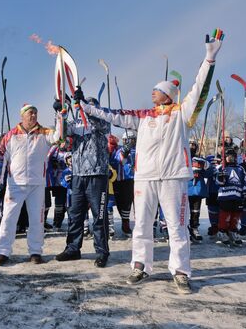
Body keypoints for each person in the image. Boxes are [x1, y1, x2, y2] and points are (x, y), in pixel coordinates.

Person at [76, 28, 224, 293]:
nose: (152, 93)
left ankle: (180, 271)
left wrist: (209, 58)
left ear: (168, 95)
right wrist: (85, 106)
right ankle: (140, 266)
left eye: (157, 90)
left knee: (177, 227)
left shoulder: (182, 114)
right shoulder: (143, 116)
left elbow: (199, 89)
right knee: (141, 225)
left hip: (173, 178)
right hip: (144, 178)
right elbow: (112, 114)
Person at [0, 104, 60, 266]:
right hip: (15, 184)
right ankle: (2, 252)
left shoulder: (44, 133)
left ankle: (35, 252)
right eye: (30, 113)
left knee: (37, 220)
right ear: (22, 116)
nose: (34, 116)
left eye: (35, 113)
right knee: (8, 218)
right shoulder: (11, 135)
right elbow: (1, 158)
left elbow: (59, 137)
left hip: (37, 184)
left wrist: (60, 116)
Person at [54, 96, 111, 268]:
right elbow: (61, 135)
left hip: (97, 174)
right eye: (83, 105)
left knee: (99, 217)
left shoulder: (101, 120)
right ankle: (73, 248)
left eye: (89, 106)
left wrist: (88, 108)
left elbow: (103, 125)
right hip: (78, 175)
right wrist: (59, 113)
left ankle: (102, 252)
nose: (85, 108)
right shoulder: (75, 124)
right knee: (75, 215)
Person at [215, 148, 246, 246]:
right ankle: (222, 231)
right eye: (228, 156)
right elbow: (217, 182)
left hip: (238, 196)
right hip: (225, 196)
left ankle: (233, 231)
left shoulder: (240, 168)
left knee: (236, 215)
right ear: (224, 158)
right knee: (225, 215)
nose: (230, 158)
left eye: (232, 156)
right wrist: (220, 179)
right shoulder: (221, 168)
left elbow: (245, 181)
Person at [112, 130, 137, 237]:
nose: (130, 142)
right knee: (119, 203)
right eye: (127, 140)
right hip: (119, 180)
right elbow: (119, 161)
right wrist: (124, 153)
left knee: (127, 203)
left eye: (132, 140)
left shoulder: (138, 150)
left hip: (130, 180)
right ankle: (122, 220)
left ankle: (125, 224)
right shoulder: (119, 150)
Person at [187, 139, 211, 242]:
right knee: (184, 211)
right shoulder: (181, 157)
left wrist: (205, 165)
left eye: (194, 145)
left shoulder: (200, 159)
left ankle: (194, 228)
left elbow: (209, 173)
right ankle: (184, 229)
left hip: (197, 189)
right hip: (185, 188)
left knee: (195, 211)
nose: (192, 147)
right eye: (190, 144)